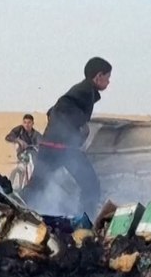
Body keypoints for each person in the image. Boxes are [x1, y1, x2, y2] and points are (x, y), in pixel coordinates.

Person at [34, 57, 112, 219]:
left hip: (50, 145)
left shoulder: (82, 90)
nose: (109, 82)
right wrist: (80, 125)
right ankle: (86, 221)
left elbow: (52, 111)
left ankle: (19, 210)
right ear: (98, 76)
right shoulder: (85, 91)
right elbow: (62, 106)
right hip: (63, 148)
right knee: (91, 185)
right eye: (107, 77)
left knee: (37, 186)